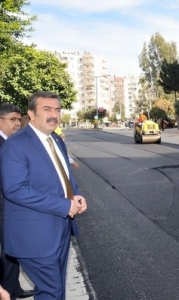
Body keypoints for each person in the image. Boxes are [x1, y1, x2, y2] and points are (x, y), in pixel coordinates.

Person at [0, 91, 87, 299]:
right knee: (52, 292)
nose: (54, 115)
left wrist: (75, 193)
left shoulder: (56, 140)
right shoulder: (16, 144)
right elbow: (14, 189)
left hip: (61, 230)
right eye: (46, 109)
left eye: (57, 110)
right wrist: (63, 205)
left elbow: (65, 174)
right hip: (34, 236)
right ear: (31, 113)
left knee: (56, 289)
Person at [0, 104, 34, 299]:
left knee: (11, 251)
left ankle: (12, 288)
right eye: (12, 119)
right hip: (3, 206)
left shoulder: (12, 142)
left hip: (11, 205)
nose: (18, 124)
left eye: (19, 119)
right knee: (7, 251)